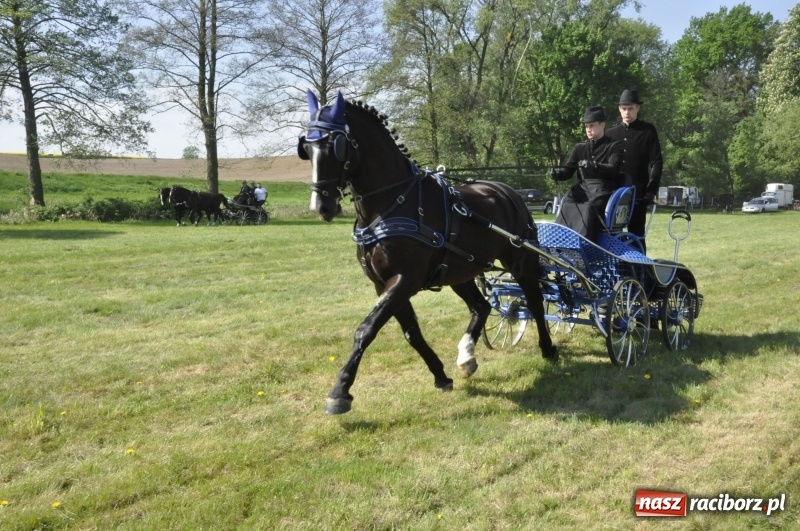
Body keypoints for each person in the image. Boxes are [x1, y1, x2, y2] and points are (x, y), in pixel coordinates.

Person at [550, 106, 623, 243]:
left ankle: (584, 243)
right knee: (566, 204)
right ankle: (559, 241)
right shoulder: (580, 147)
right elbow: (568, 170)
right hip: (583, 188)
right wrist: (558, 174)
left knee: (588, 208)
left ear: (602, 125)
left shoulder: (614, 146)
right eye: (586, 126)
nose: (588, 129)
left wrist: (595, 165)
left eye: (592, 126)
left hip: (603, 189)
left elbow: (613, 168)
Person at [605, 89, 663, 252]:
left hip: (638, 194)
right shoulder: (611, 133)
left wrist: (650, 192)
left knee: (637, 237)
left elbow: (657, 162)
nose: (627, 112)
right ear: (619, 109)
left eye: (630, 108)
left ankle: (641, 272)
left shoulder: (647, 131)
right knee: (612, 236)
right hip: (614, 194)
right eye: (624, 108)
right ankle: (619, 271)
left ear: (638, 108)